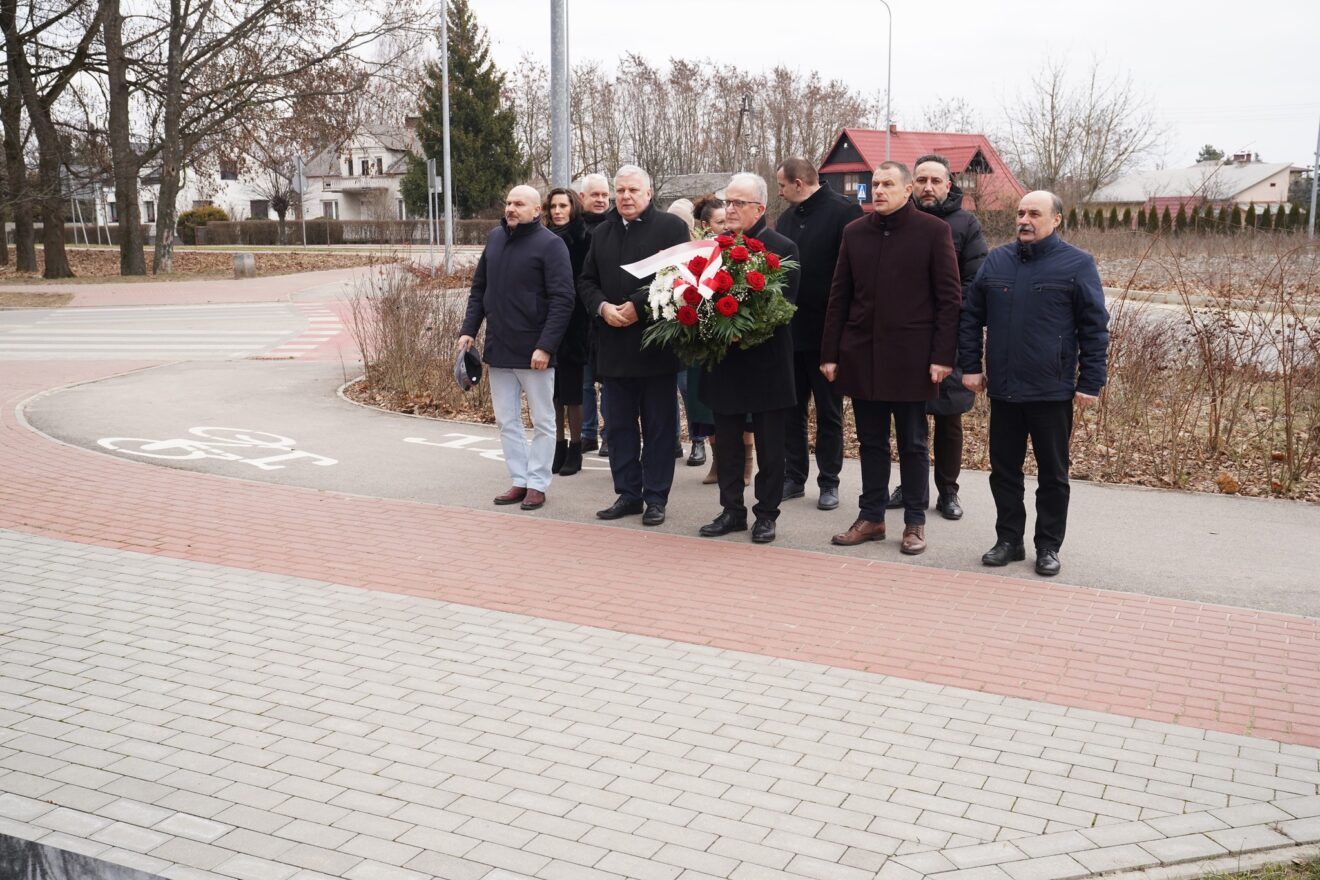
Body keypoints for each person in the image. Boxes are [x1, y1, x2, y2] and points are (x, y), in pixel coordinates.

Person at [959, 190, 1109, 577]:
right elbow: (971, 318)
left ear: (1056, 219)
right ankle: (1008, 540)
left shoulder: (1077, 264)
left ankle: (1048, 546)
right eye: (1021, 213)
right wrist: (970, 366)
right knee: (1003, 471)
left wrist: (1091, 381)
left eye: (1035, 214)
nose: (1024, 220)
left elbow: (1094, 328)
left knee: (1053, 475)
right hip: (1004, 388)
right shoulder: (997, 261)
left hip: (1051, 390)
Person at [820, 161, 960, 555]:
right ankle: (872, 516)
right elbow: (839, 297)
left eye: (887, 184)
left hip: (913, 357)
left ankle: (914, 521)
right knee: (870, 442)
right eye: (874, 184)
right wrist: (830, 352)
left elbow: (949, 300)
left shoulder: (934, 231)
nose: (878, 191)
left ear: (908, 189)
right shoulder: (854, 232)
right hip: (861, 354)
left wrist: (942, 356)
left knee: (914, 442)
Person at [578, 164, 689, 526]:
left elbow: (681, 278)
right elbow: (586, 281)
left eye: (632, 191)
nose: (625, 197)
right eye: (620, 190)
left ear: (648, 193)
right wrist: (602, 307)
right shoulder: (602, 232)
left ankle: (656, 497)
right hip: (612, 346)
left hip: (656, 348)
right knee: (619, 427)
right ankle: (627, 493)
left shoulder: (671, 228)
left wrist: (639, 307)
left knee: (658, 428)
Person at [697, 173, 800, 544]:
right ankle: (731, 510)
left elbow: (784, 303)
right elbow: (698, 295)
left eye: (738, 203)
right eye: (727, 203)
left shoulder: (783, 246)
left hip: (768, 362)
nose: (730, 209)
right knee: (726, 441)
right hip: (725, 361)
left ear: (759, 207)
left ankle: (766, 514)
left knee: (771, 445)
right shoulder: (713, 247)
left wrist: (744, 327)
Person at [459, 185, 575, 511]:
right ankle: (519, 480)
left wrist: (546, 346)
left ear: (536, 210)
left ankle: (538, 483)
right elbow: (479, 287)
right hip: (499, 348)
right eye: (508, 202)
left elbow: (563, 300)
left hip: (535, 352)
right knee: (506, 421)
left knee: (543, 420)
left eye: (519, 203)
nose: (511, 208)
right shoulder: (495, 238)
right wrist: (469, 329)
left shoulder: (551, 246)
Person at [888, 154, 988, 521]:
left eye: (936, 180)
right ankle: (911, 486)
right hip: (905, 338)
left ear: (949, 185)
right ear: (911, 185)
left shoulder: (966, 224)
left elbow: (973, 280)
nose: (928, 187)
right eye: (922, 180)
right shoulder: (897, 222)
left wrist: (942, 315)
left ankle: (948, 490)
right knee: (907, 416)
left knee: (949, 417)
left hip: (950, 334)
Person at [775, 156, 863, 512]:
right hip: (790, 333)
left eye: (781, 185)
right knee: (791, 411)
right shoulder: (784, 219)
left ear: (799, 183)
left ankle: (830, 481)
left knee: (829, 412)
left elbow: (856, 274)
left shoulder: (845, 213)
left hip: (828, 334)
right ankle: (794, 476)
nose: (779, 193)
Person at [543, 187, 592, 477]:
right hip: (547, 322)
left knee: (573, 391)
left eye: (563, 206)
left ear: (573, 207)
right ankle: (557, 446)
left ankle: (575, 448)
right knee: (553, 392)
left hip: (575, 323)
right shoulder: (544, 238)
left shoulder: (585, 238)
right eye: (553, 206)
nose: (558, 211)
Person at [666, 198, 713, 470]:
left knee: (687, 389)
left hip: (688, 334)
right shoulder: (662, 252)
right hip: (667, 332)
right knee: (666, 391)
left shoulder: (698, 251)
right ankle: (672, 439)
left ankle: (697, 440)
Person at [576, 172, 612, 455]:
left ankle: (609, 432)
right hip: (578, 315)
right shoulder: (575, 229)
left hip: (607, 312)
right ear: (582, 198)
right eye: (595, 195)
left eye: (604, 195)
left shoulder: (615, 227)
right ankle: (587, 433)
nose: (600, 200)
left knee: (609, 381)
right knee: (584, 380)